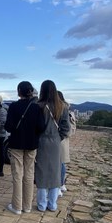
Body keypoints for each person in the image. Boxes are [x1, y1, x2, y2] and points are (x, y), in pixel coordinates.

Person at [4, 81, 45, 214]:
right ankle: (27, 206)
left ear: (19, 91)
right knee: (29, 174)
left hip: (16, 144)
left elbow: (8, 127)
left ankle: (17, 206)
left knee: (17, 174)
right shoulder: (36, 108)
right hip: (32, 144)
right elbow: (41, 127)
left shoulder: (14, 107)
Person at [35, 80, 70, 212]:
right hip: (55, 142)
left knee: (41, 172)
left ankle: (42, 204)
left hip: (41, 141)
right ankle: (52, 204)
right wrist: (58, 137)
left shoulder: (39, 106)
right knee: (55, 172)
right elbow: (66, 128)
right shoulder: (63, 107)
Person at [58, 91, 77, 195]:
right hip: (65, 139)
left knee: (58, 163)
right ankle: (62, 184)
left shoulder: (61, 109)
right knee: (62, 163)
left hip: (60, 139)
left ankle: (59, 185)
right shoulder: (69, 110)